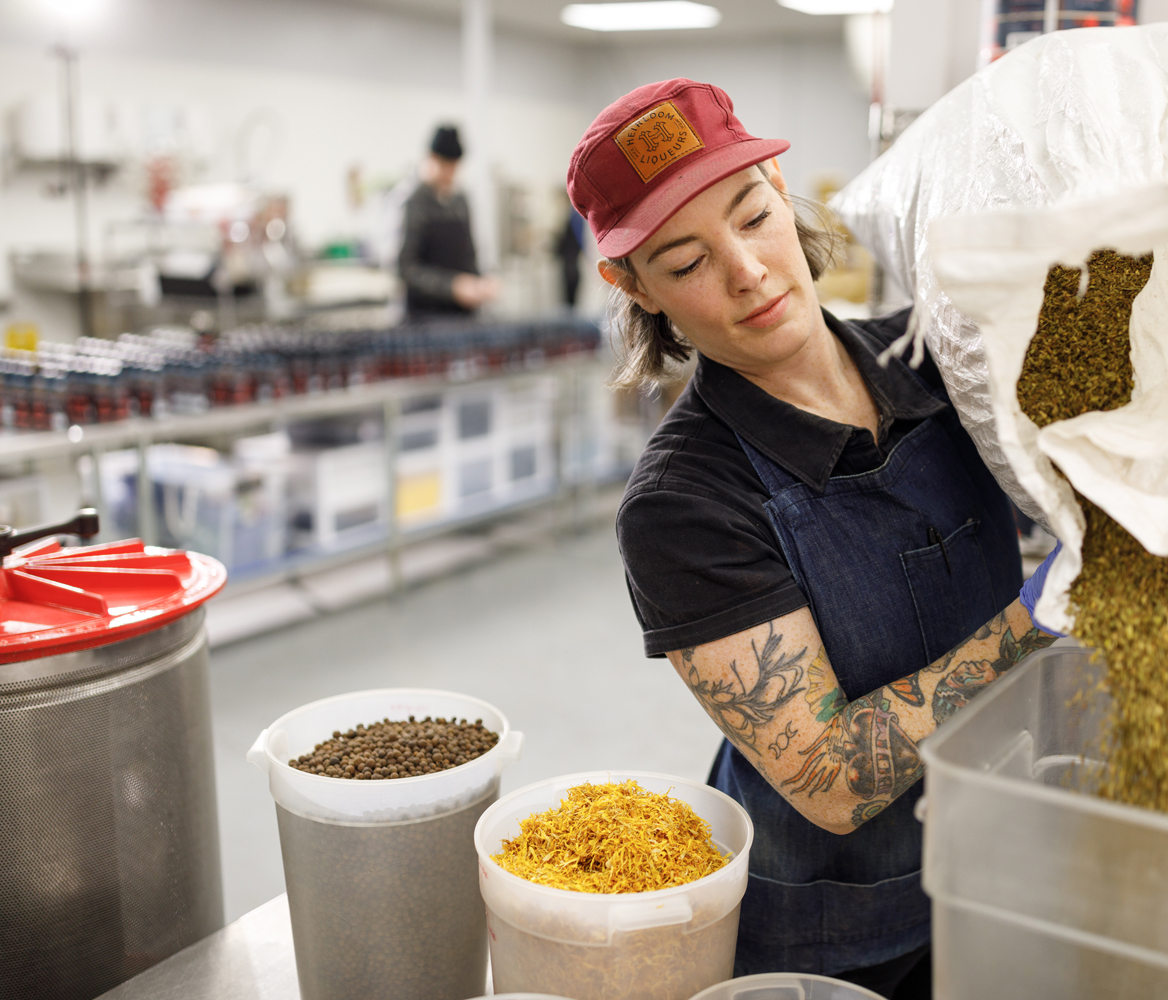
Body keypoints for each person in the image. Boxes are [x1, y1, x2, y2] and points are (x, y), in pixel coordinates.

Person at [568, 79, 1062, 999]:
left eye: (754, 217)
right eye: (686, 263)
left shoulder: (936, 357)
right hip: (845, 937)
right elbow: (833, 778)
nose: (749, 272)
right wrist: (1040, 617)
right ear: (632, 286)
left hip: (1002, 872)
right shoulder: (683, 504)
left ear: (780, 186)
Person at [398, 124, 498, 319]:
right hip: (425, 318)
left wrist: (482, 282)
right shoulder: (416, 203)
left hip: (462, 317)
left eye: (455, 166)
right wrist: (451, 287)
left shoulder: (461, 202)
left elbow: (469, 255)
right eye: (446, 165)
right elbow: (406, 269)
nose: (450, 173)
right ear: (432, 159)